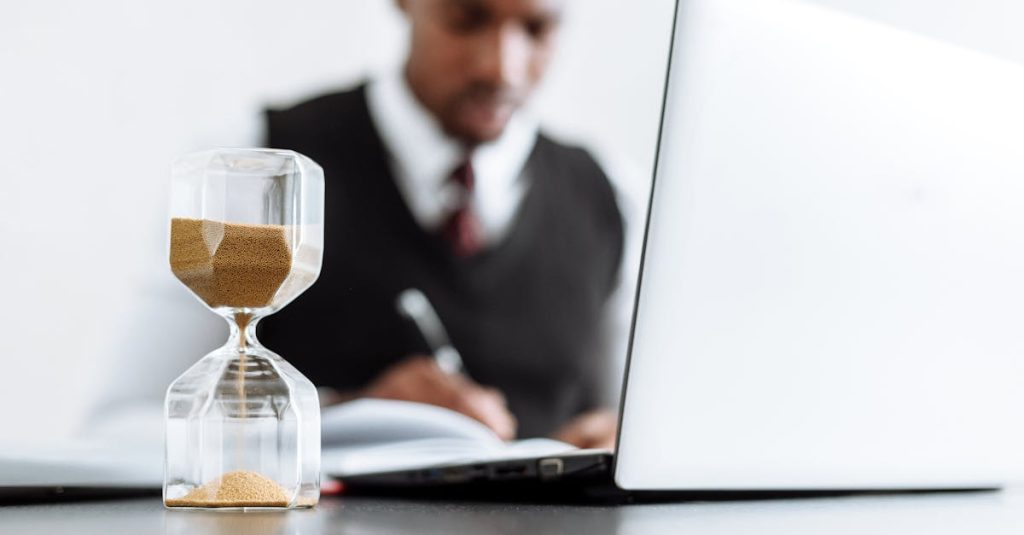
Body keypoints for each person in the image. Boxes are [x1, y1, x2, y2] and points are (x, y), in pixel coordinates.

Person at [260, 0, 630, 449]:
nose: (501, 70)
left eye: (537, 30)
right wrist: (348, 413)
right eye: (467, 20)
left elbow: (630, 413)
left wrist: (621, 438)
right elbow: (159, 420)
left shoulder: (611, 192)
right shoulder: (263, 164)